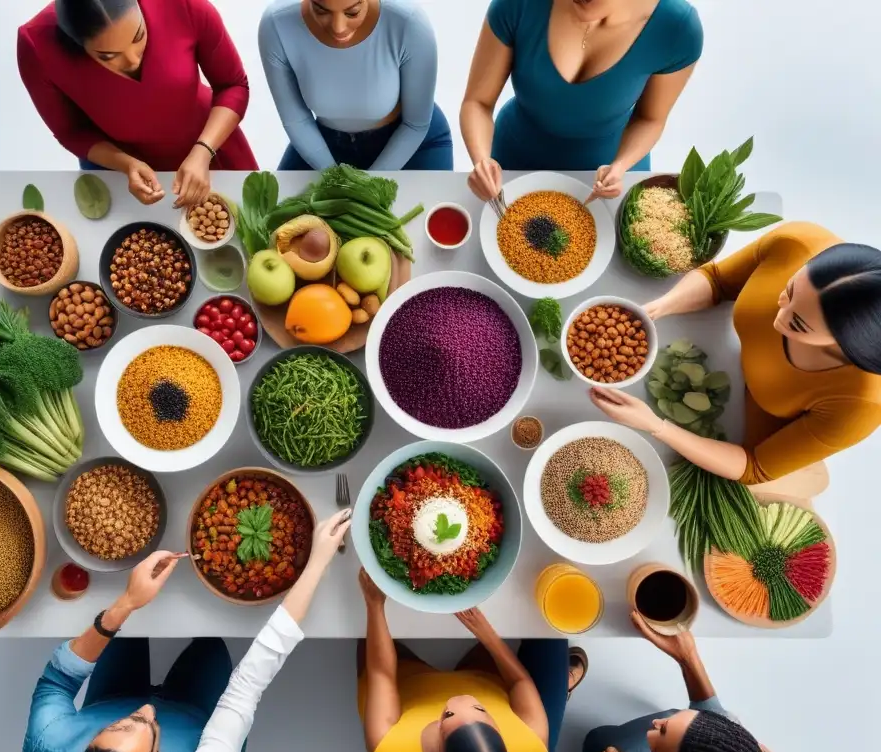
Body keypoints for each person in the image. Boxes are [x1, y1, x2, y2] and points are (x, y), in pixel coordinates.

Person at [22, 509, 351, 752]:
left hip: (110, 695)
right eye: (150, 729)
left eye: (120, 726)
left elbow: (58, 680)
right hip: (197, 716)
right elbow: (245, 689)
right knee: (212, 648)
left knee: (128, 637)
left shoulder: (46, 746)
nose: (148, 707)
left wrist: (127, 603)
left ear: (88, 747)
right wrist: (317, 563)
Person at [591, 222, 881, 487]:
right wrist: (655, 310)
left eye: (798, 324)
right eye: (788, 291)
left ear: (846, 345)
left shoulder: (859, 406)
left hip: (736, 430)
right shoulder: (797, 243)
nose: (780, 316)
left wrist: (654, 425)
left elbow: (754, 467)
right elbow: (719, 280)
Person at [17, 0, 258, 209]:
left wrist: (204, 151)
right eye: (107, 56)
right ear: (76, 44)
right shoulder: (37, 46)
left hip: (211, 141)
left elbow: (232, 85)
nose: (132, 60)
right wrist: (125, 164)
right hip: (127, 172)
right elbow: (70, 131)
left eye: (139, 36)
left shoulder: (182, 4)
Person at [460, 0, 702, 203]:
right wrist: (482, 161)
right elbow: (477, 103)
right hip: (512, 161)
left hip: (608, 178)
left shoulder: (677, 27)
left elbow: (651, 119)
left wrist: (620, 166)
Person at [358, 568, 587, 752]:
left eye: (448, 714)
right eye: (481, 710)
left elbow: (382, 675)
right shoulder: (530, 747)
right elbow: (519, 681)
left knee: (362, 640)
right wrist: (485, 633)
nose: (460, 698)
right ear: (500, 732)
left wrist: (374, 604)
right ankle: (559, 688)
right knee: (549, 631)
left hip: (408, 682)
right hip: (483, 678)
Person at [258, 0, 453, 171]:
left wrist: (365, 185)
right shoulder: (277, 24)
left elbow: (415, 124)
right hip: (321, 145)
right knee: (274, 211)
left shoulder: (409, 22)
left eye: (352, 12)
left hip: (409, 143)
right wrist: (334, 177)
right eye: (321, 10)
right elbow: (297, 120)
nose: (338, 28)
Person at [583, 612, 783, 752]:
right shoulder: (728, 747)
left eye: (662, 731)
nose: (656, 722)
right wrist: (687, 657)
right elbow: (710, 708)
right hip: (605, 734)